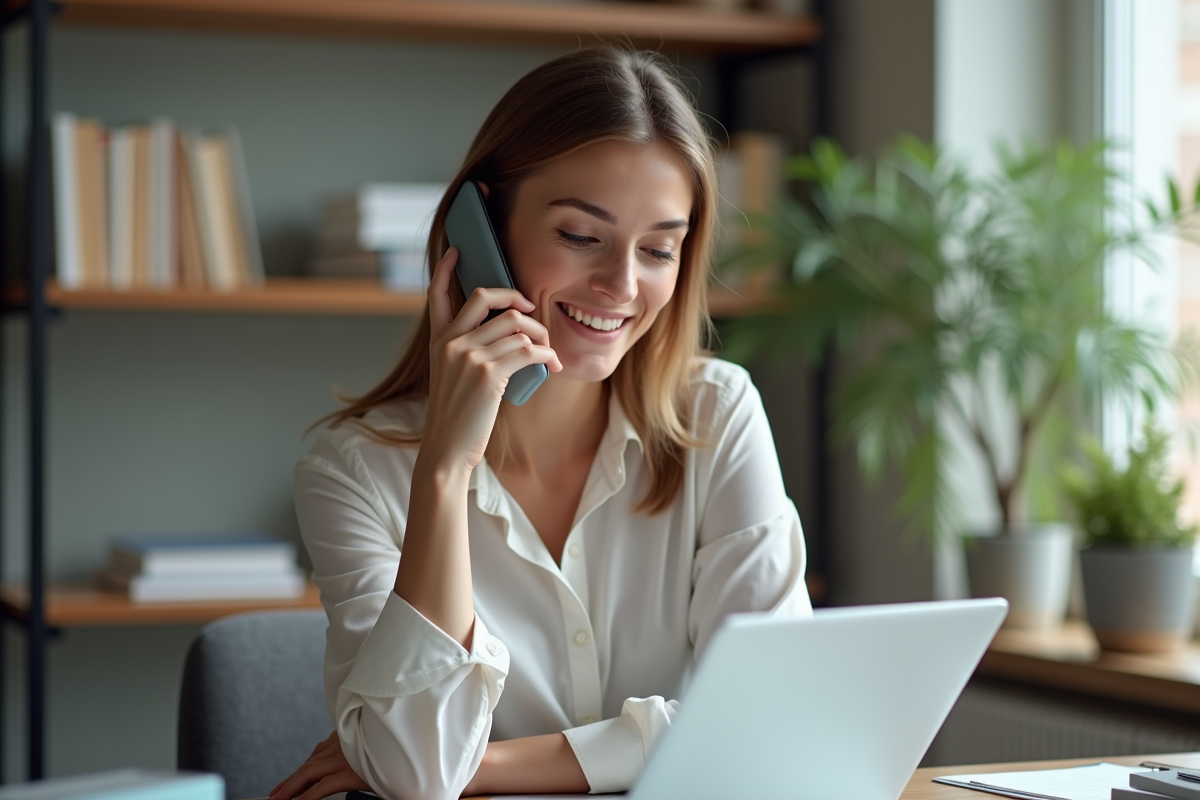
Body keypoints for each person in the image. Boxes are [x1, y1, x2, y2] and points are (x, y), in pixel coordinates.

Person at [272, 45, 811, 800]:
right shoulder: (352, 470)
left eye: (658, 248)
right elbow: (419, 776)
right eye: (580, 236)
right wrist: (446, 469)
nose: (622, 285)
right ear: (479, 229)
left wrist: (488, 768)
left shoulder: (716, 416)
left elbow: (782, 717)